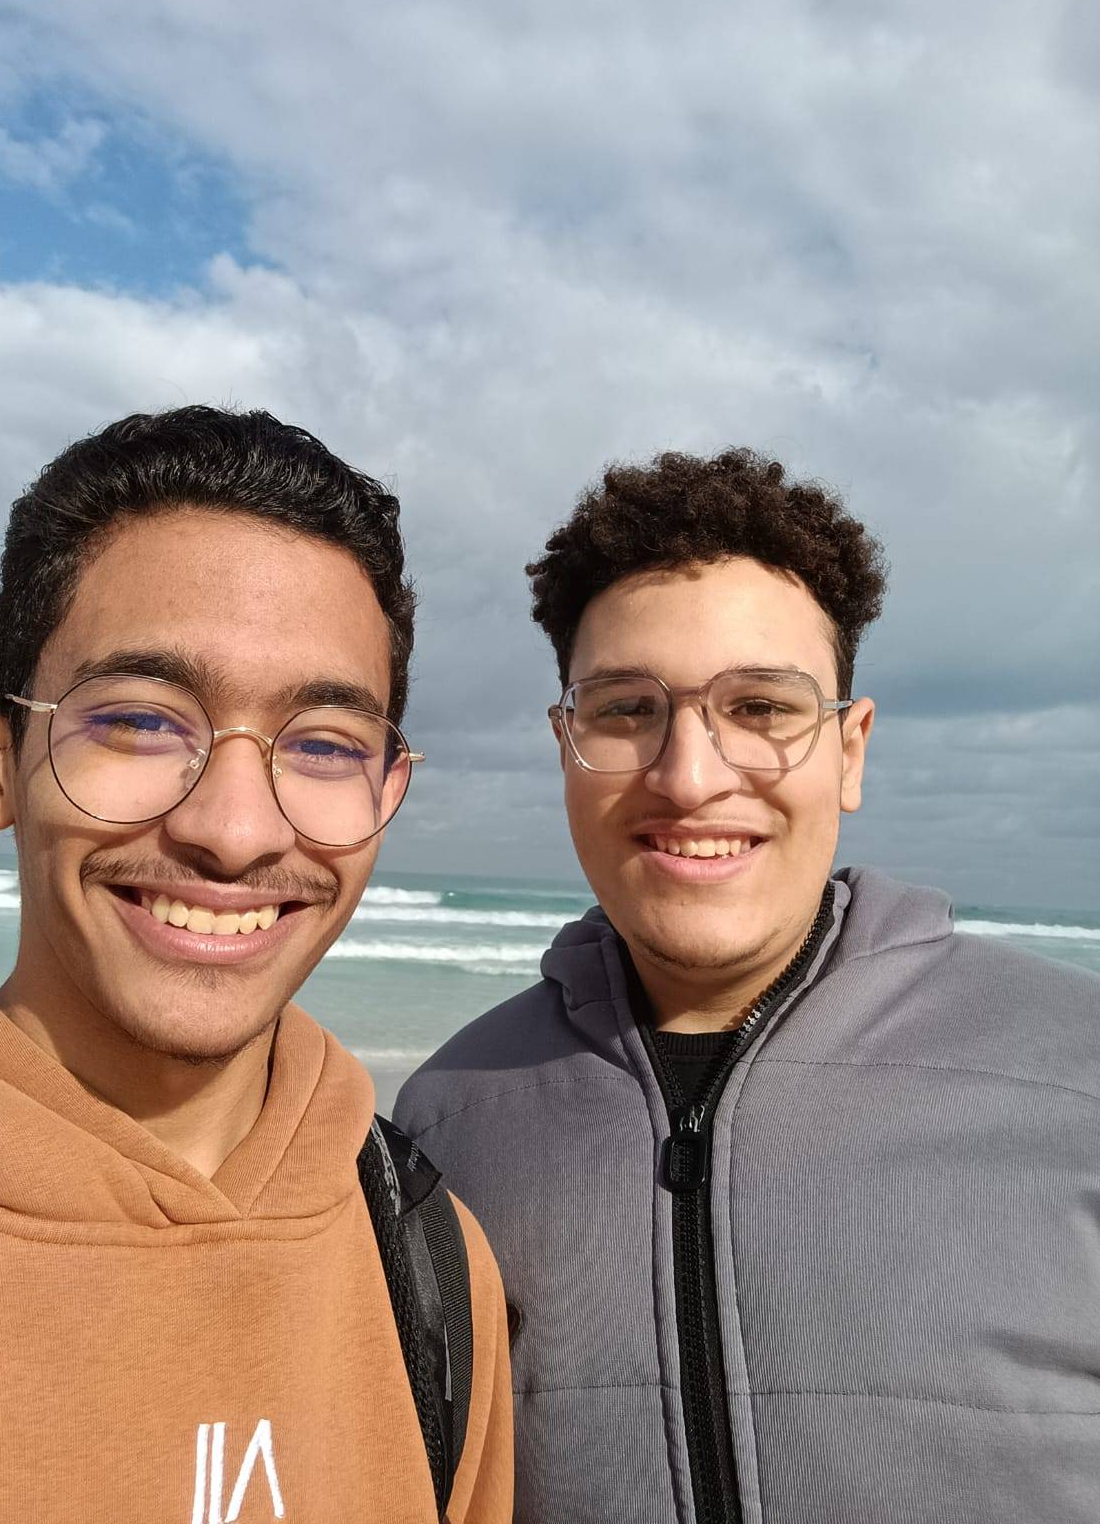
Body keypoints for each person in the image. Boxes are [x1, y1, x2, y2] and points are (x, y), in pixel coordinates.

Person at [395, 448, 1100, 1524]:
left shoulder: (1075, 1078)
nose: (689, 776)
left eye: (762, 706)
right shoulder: (447, 1121)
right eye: (625, 708)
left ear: (850, 751)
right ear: (565, 744)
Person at [0, 407, 512, 1523]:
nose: (233, 832)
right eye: (141, 720)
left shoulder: (426, 1263)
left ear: (385, 793)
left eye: (322, 743)